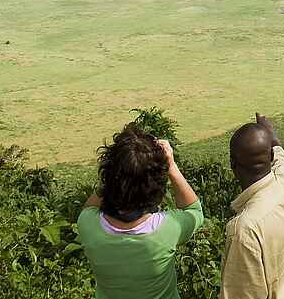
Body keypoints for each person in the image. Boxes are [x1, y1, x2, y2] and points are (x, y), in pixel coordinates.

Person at [77, 123, 203, 299]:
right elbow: (194, 210)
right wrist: (171, 166)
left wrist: (115, 176)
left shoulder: (88, 225)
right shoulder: (167, 229)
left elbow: (90, 207)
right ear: (157, 184)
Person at [221, 112, 284, 299]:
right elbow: (279, 153)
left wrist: (268, 133)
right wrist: (269, 133)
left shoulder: (245, 229)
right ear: (270, 157)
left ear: (232, 164)